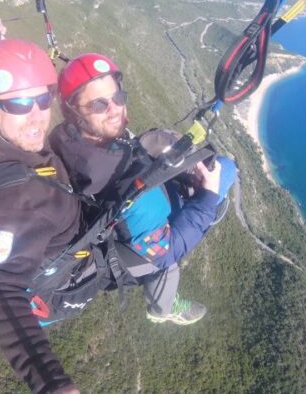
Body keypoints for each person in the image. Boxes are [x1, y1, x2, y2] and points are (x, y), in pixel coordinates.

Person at [49, 53, 237, 325]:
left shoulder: (65, 137)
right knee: (225, 171)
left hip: (118, 217)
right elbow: (165, 252)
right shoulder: (133, 192)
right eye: (99, 104)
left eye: (118, 98)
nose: (115, 109)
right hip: (132, 250)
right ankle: (163, 308)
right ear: (73, 111)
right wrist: (207, 200)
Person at [0, 38, 81, 393]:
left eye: (44, 98)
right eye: (19, 103)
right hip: (54, 270)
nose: (37, 116)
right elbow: (3, 291)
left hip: (50, 217)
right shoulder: (14, 205)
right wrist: (51, 383)